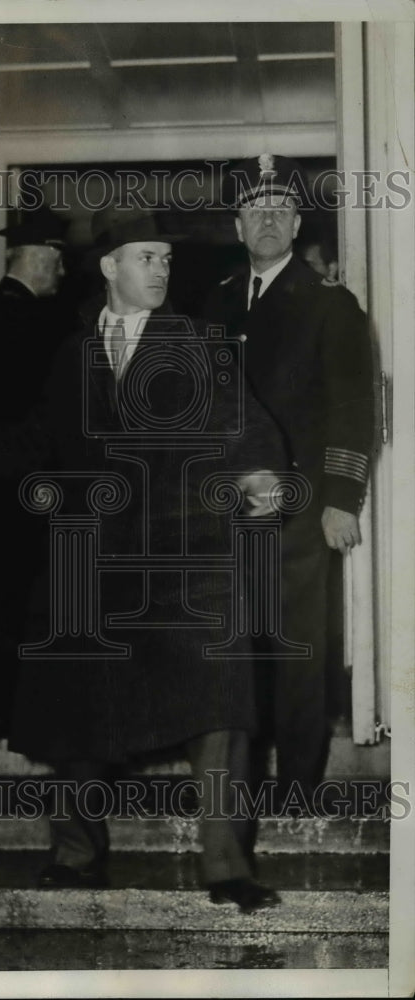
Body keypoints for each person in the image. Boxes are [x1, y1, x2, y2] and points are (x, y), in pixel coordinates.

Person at [9, 206, 287, 912]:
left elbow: (246, 423)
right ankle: (75, 854)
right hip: (90, 558)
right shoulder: (69, 352)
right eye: (145, 258)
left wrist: (259, 476)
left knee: (221, 708)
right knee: (75, 706)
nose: (160, 269)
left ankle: (228, 867)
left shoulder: (198, 341)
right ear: (109, 267)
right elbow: (35, 437)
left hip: (185, 555)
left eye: (165, 258)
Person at [203, 154, 374, 805]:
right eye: (255, 210)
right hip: (226, 506)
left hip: (299, 506)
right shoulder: (214, 303)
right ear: (239, 226)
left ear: (297, 222)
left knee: (298, 646)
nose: (268, 220)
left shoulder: (330, 304)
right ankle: (236, 783)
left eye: (279, 210)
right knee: (234, 645)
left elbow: (352, 409)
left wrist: (341, 500)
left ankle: (298, 786)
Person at [0, 206, 70, 734]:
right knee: (19, 589)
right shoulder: (16, 314)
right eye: (57, 260)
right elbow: (16, 408)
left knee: (17, 587)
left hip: (15, 479)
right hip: (24, 479)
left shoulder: (3, 309)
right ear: (36, 259)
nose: (63, 271)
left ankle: (6, 703)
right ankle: (5, 706)